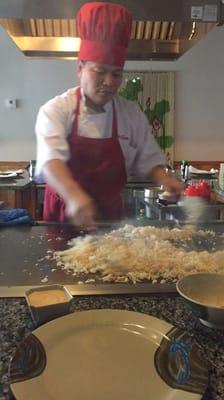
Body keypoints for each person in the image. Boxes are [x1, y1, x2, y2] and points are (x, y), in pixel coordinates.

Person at [35, 2, 182, 228]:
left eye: (116, 74)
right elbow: (50, 161)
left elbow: (148, 157)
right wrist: (74, 195)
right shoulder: (56, 110)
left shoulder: (130, 114)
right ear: (80, 68)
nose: (109, 82)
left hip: (110, 220)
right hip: (64, 219)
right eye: (100, 71)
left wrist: (166, 180)